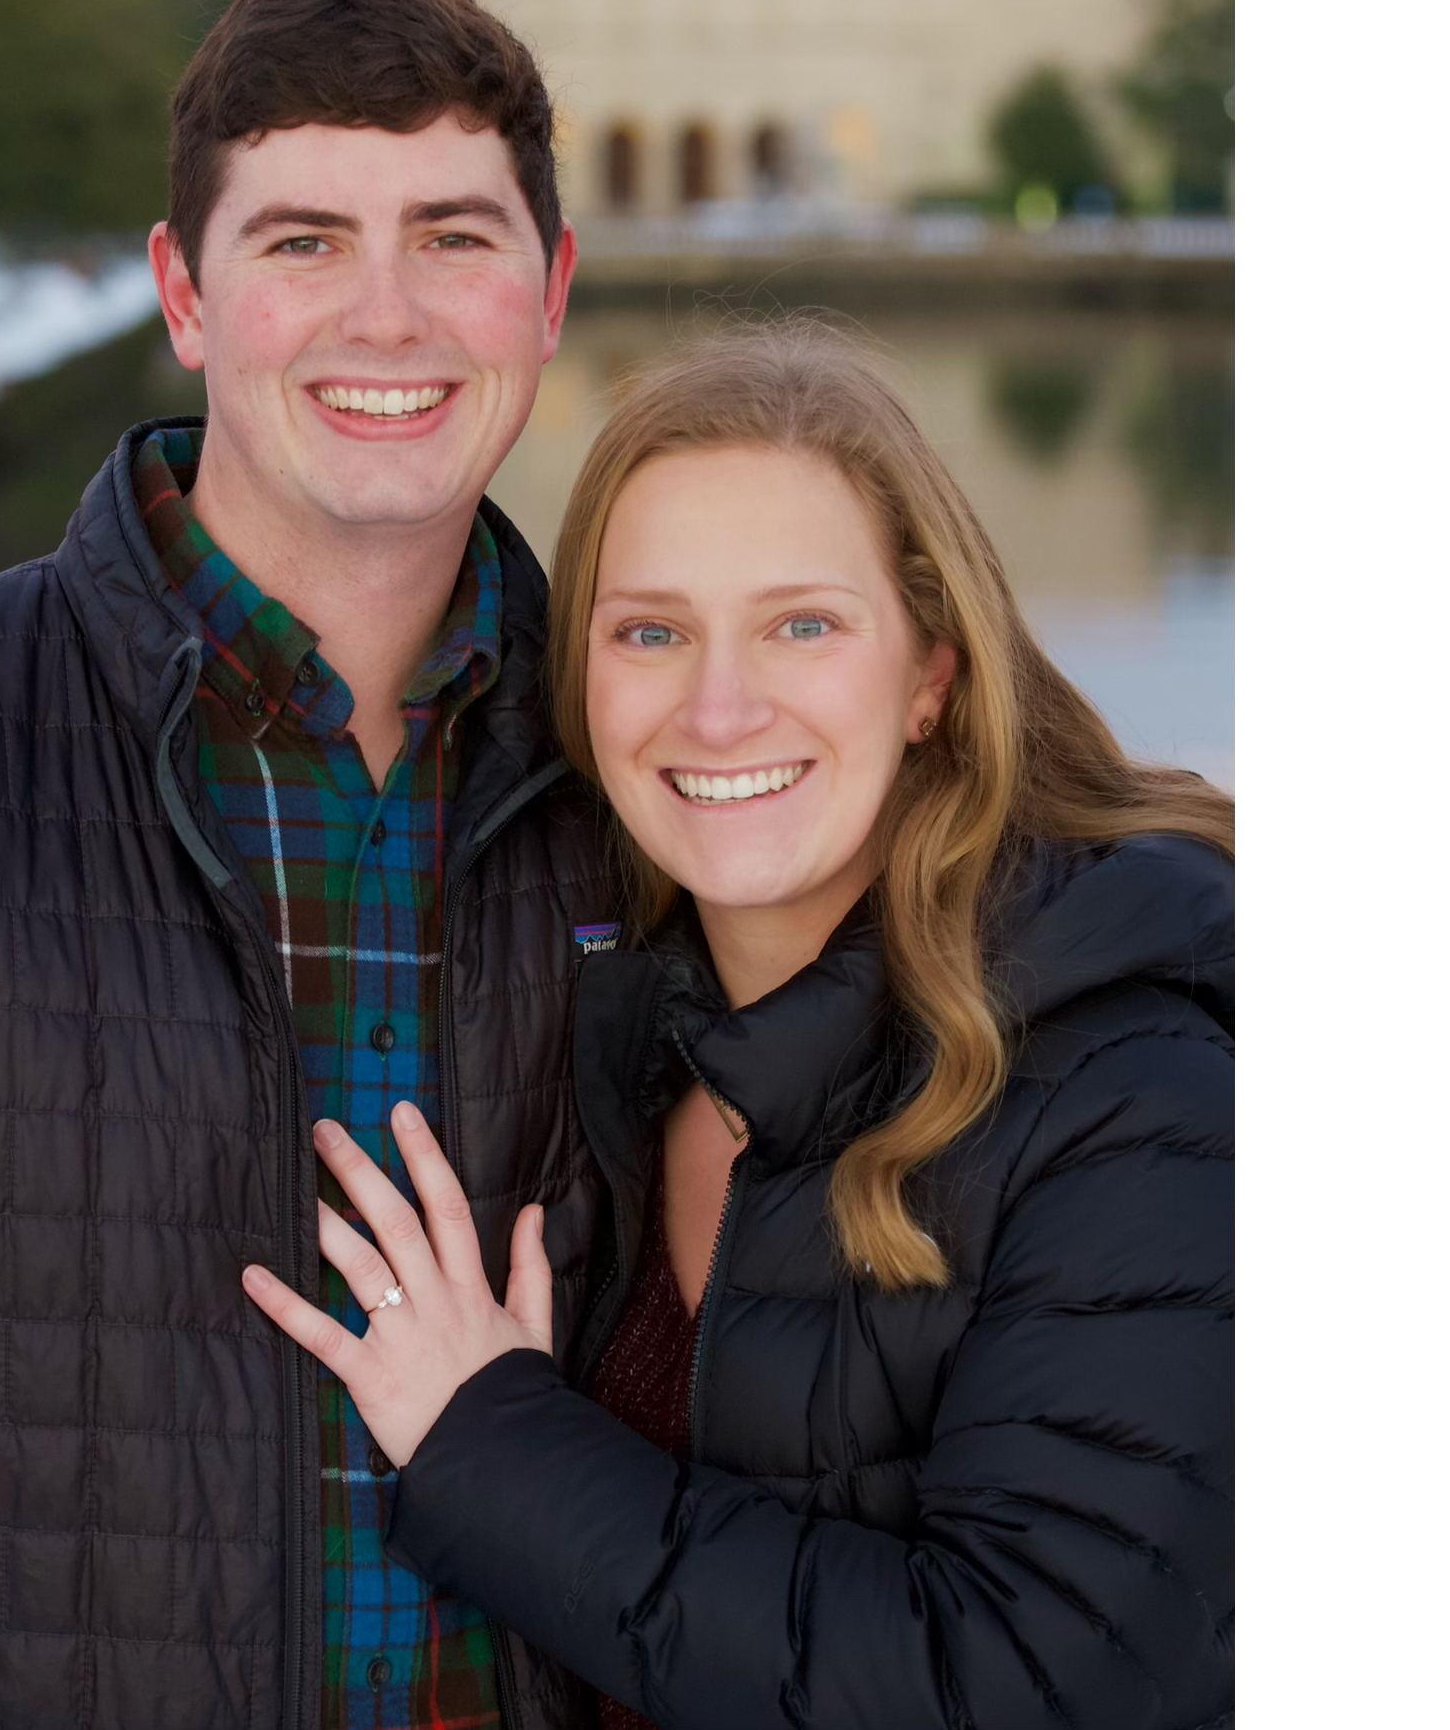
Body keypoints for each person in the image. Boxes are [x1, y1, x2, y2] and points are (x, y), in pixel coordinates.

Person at [0, 0, 626, 1730]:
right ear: (184, 294)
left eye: (455, 236)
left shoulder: (653, 770)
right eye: (303, 242)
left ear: (550, 292)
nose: (389, 315)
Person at [244, 318, 1235, 1730]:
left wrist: (494, 1448)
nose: (718, 708)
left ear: (931, 677)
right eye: (651, 631)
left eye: (802, 626)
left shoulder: (1139, 1093)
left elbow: (1029, 1682)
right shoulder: (639, 1041)